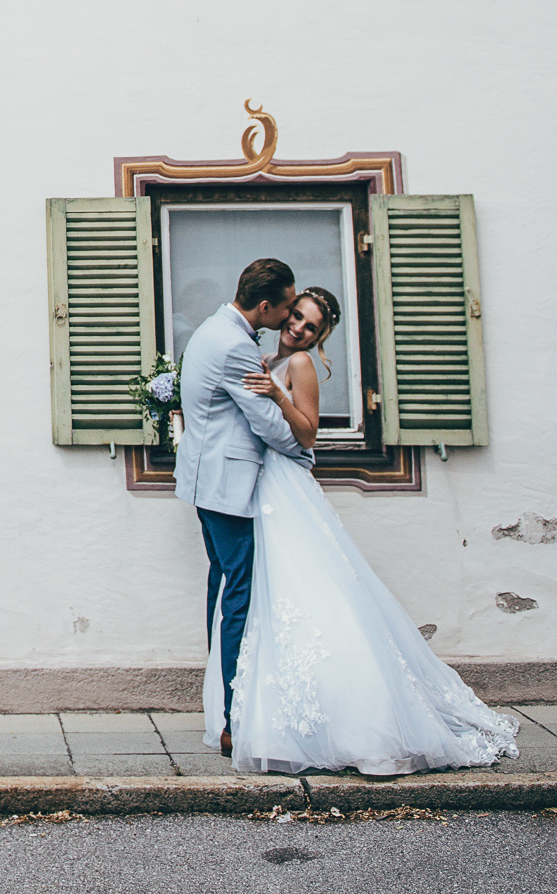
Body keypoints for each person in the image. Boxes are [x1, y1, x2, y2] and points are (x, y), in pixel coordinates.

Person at [203, 284, 519, 775]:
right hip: (261, 485)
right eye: (297, 318)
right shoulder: (264, 356)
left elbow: (308, 432)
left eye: (310, 326)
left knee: (301, 590)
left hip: (282, 483)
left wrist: (278, 395)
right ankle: (266, 712)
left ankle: (344, 719)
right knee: (272, 594)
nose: (298, 328)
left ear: (319, 335)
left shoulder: (301, 366)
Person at [171, 256, 315, 757]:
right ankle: (232, 716)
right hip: (226, 485)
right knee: (239, 596)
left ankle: (224, 707)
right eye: (287, 308)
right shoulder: (235, 345)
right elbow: (265, 420)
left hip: (207, 481)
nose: (290, 316)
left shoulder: (215, 329)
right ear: (263, 305)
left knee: (223, 588)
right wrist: (303, 453)